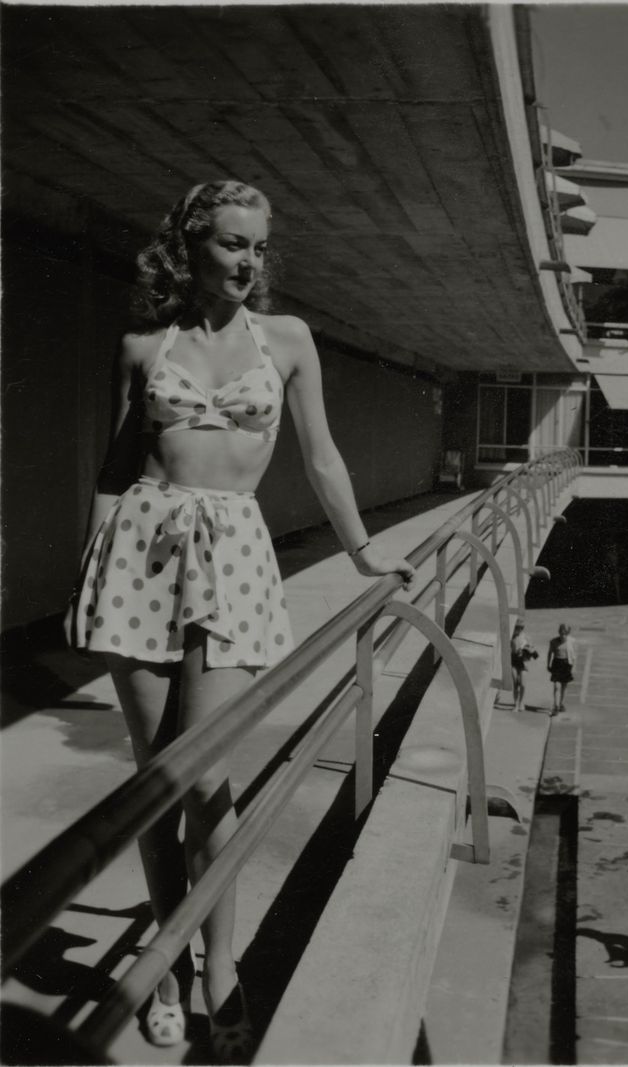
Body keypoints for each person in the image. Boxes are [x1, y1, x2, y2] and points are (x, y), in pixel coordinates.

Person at [64, 181, 415, 1060]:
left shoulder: (287, 340)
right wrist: (91, 568)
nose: (248, 261)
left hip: (232, 559)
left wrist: (366, 552)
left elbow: (322, 454)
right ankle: (166, 967)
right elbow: (115, 467)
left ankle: (221, 965)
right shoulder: (146, 343)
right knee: (156, 782)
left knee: (209, 773)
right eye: (230, 243)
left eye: (258, 246)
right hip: (141, 556)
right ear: (190, 244)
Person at [547, 623, 577, 713]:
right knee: (556, 686)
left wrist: (573, 667)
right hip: (557, 663)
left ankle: (561, 703)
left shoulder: (572, 641)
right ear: (559, 632)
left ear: (568, 634)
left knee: (564, 686)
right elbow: (550, 653)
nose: (562, 635)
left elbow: (574, 655)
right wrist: (548, 664)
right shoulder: (554, 642)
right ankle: (555, 705)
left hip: (566, 664)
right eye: (561, 633)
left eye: (565, 634)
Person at [509, 621, 537, 711]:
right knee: (515, 683)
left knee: (523, 684)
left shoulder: (526, 637)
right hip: (514, 661)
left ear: (522, 628)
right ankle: (516, 704)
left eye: (520, 628)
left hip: (524, 661)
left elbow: (533, 649)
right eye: (516, 627)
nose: (518, 630)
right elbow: (508, 649)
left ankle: (521, 702)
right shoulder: (511, 637)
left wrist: (527, 649)